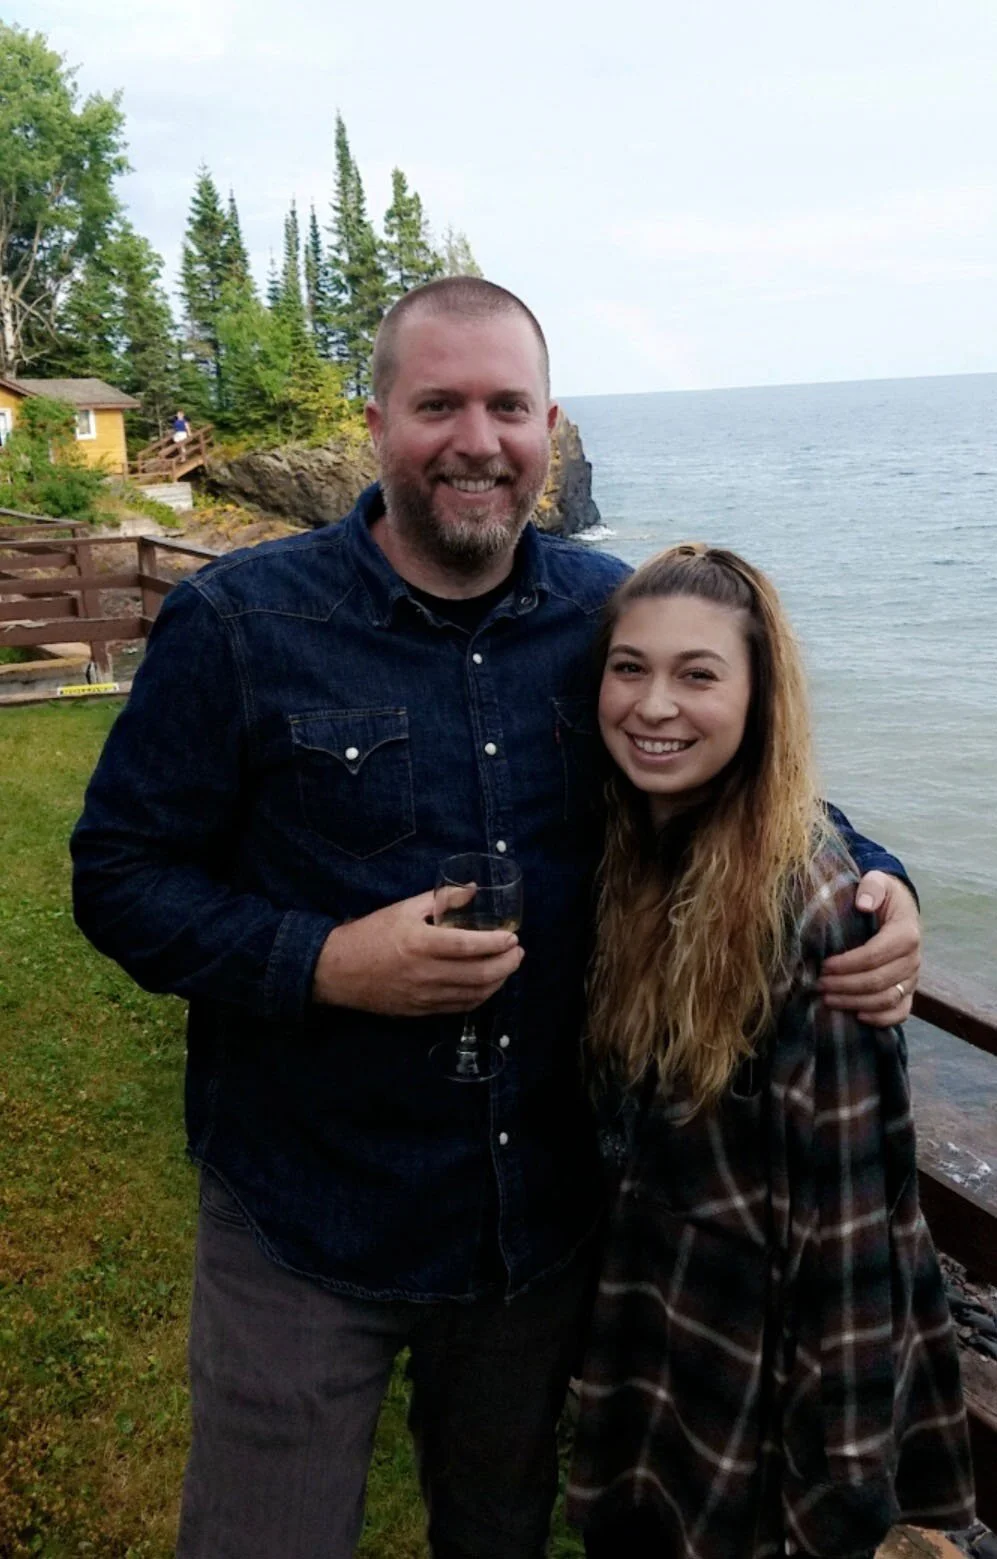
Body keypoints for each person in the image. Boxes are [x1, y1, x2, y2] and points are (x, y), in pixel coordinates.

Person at [71, 278, 923, 1559]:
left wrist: (876, 872)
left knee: (500, 1529)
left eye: (506, 405)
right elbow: (120, 874)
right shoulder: (242, 624)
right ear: (376, 423)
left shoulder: (600, 613)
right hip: (306, 1209)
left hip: (534, 1222)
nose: (475, 438)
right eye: (438, 404)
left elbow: (727, 763)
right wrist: (323, 961)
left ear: (548, 426)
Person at [566, 545, 974, 1558]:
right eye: (629, 667)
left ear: (759, 699)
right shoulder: (633, 851)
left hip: (772, 1386)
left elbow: (848, 1238)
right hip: (664, 1341)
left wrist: (835, 1492)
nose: (654, 704)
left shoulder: (813, 912)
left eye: (698, 674)